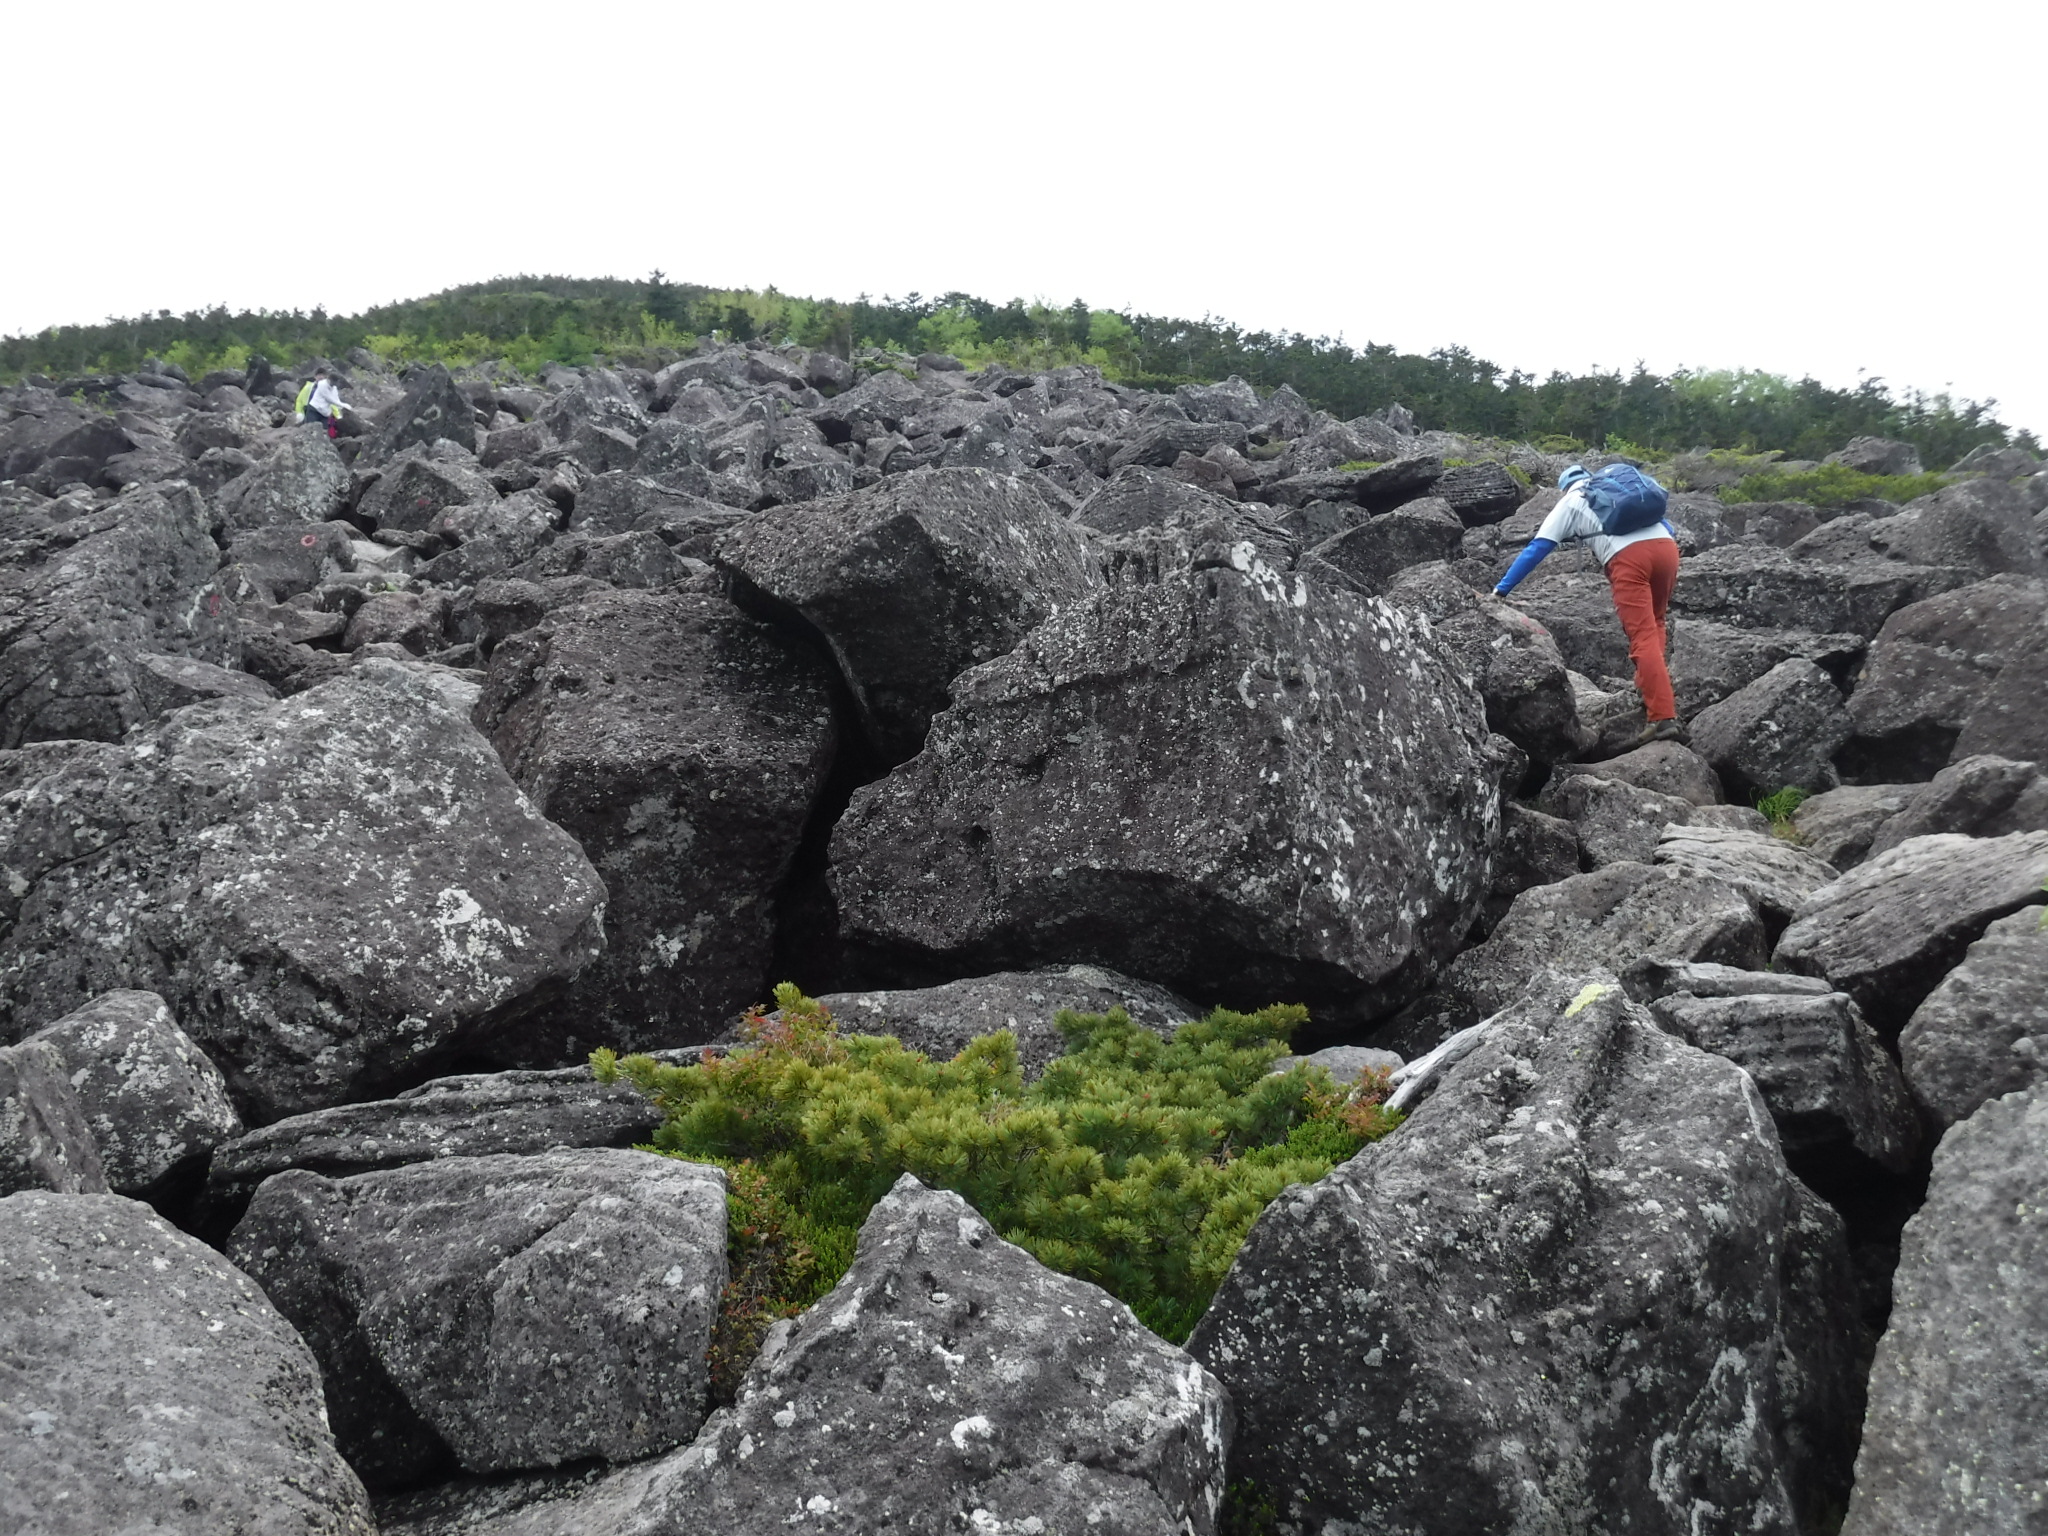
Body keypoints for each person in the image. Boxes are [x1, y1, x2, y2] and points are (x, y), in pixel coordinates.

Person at [1493, 464, 1686, 748]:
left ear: (1563, 487)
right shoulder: (1618, 491)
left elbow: (1537, 548)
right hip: (1666, 548)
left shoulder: (1571, 500)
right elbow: (1666, 526)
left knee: (1641, 635)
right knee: (1656, 622)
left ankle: (1662, 717)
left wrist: (1500, 590)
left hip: (1629, 558)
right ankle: (1651, 692)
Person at [295, 368, 349, 439]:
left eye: (323, 375)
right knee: (310, 430)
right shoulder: (308, 387)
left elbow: (333, 403)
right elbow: (299, 400)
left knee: (325, 433)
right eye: (319, 375)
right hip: (312, 410)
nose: (320, 377)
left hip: (325, 413)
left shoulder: (332, 389)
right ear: (315, 377)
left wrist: (338, 415)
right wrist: (299, 412)